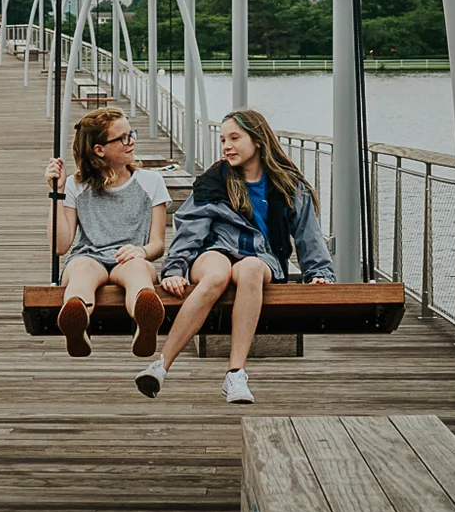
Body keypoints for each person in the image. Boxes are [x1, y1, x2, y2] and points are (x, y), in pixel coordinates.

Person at [135, 108, 331, 403]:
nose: (226, 146)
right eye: (223, 139)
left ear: (258, 140)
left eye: (235, 138)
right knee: (216, 275)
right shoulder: (214, 181)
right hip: (214, 252)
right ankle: (161, 366)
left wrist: (318, 273)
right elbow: (190, 228)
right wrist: (174, 269)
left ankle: (235, 373)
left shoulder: (287, 185)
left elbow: (308, 235)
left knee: (250, 268)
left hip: (260, 257)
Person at [44, 107, 170, 359]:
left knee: (138, 270)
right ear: (99, 149)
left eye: (131, 134)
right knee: (82, 269)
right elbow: (60, 246)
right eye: (123, 138)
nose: (131, 141)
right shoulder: (76, 185)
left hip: (130, 256)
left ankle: (145, 317)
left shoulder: (151, 182)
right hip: (88, 256)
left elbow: (157, 244)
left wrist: (141, 251)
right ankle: (77, 316)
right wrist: (57, 193)